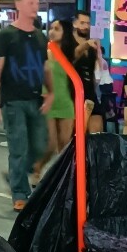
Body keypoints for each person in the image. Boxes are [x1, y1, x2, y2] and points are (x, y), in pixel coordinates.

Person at [0, 0, 53, 212]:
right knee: (19, 147)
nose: (35, 6)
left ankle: (16, 174)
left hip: (35, 98)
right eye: (31, 2)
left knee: (40, 145)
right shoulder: (6, 36)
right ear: (18, 5)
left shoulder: (40, 36)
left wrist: (50, 91)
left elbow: (45, 68)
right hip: (13, 101)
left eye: (37, 3)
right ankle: (20, 193)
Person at [42, 19, 76, 163]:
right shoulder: (43, 51)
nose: (52, 32)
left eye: (57, 29)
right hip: (47, 101)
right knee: (50, 144)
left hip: (65, 101)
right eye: (51, 28)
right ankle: (36, 173)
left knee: (65, 145)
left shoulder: (70, 54)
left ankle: (62, 180)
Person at [73, 11, 104, 134]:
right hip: (73, 92)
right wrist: (86, 44)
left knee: (97, 133)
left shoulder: (92, 46)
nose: (85, 26)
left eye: (87, 23)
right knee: (77, 134)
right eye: (82, 23)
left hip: (90, 91)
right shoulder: (70, 44)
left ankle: (92, 153)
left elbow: (98, 71)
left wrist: (99, 53)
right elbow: (73, 56)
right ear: (75, 24)